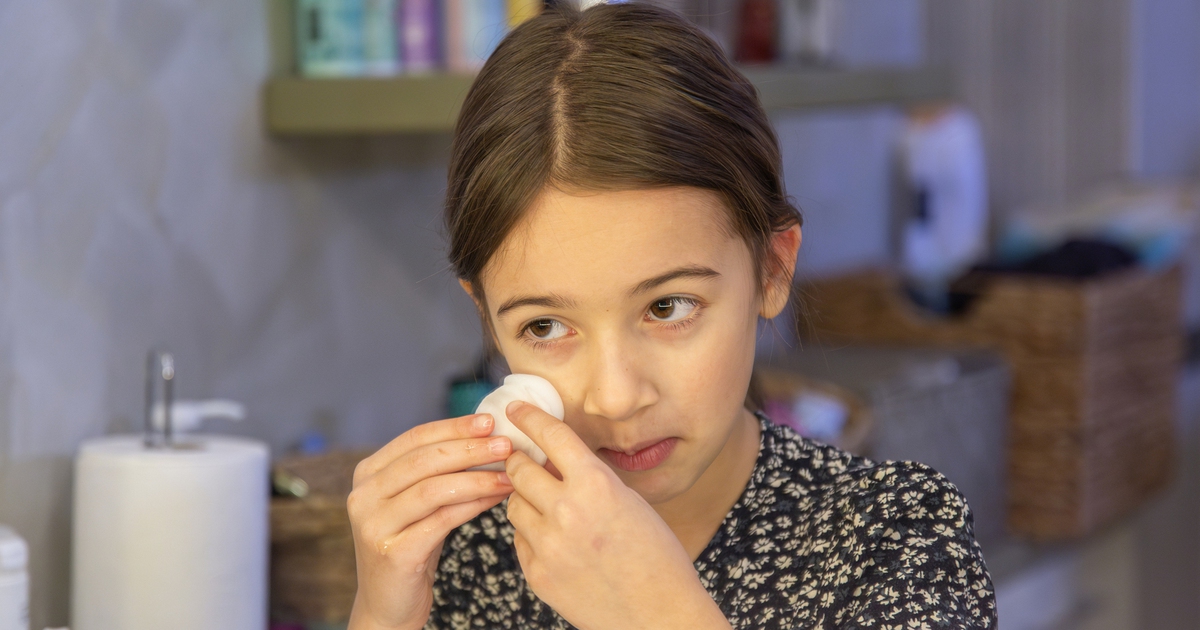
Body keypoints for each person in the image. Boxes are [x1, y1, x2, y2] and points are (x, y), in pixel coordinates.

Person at [346, 3, 997, 629]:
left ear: (772, 270)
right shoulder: (467, 548)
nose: (616, 397)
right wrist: (382, 615)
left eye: (668, 307)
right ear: (488, 318)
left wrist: (659, 614)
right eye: (544, 327)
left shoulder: (896, 537)